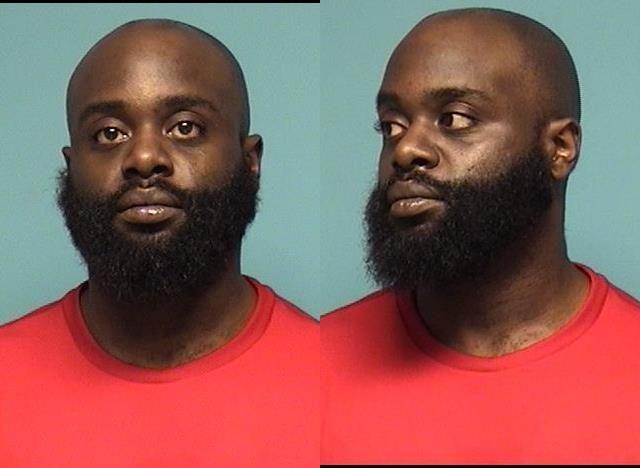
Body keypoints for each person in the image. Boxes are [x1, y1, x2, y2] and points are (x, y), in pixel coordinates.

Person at [321, 7, 640, 464]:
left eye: (454, 119)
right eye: (392, 125)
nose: (406, 149)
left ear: (559, 149)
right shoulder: (316, 363)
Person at [0, 19, 318, 466]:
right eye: (110, 133)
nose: (144, 157)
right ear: (71, 169)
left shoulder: (328, 378)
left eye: (185, 127)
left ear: (250, 162)